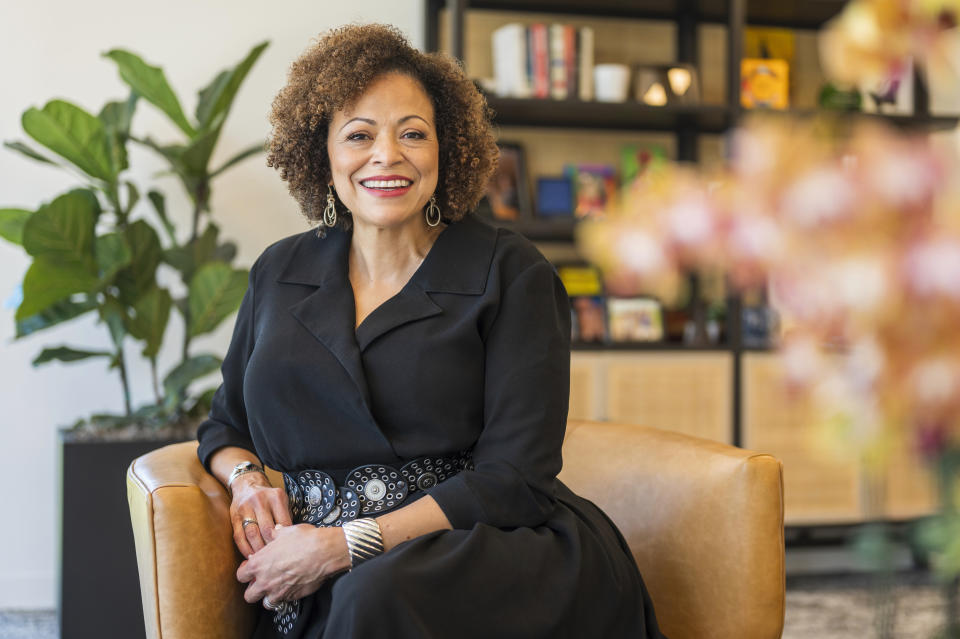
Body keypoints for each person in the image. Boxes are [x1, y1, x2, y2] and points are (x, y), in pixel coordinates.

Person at [196, 23, 667, 639]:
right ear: (323, 153)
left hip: (473, 547)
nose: (386, 155)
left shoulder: (512, 271)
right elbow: (225, 425)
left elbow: (515, 479)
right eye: (359, 135)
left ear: (447, 149)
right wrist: (246, 480)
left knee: (373, 597)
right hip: (307, 558)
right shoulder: (278, 270)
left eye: (412, 134)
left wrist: (345, 546)